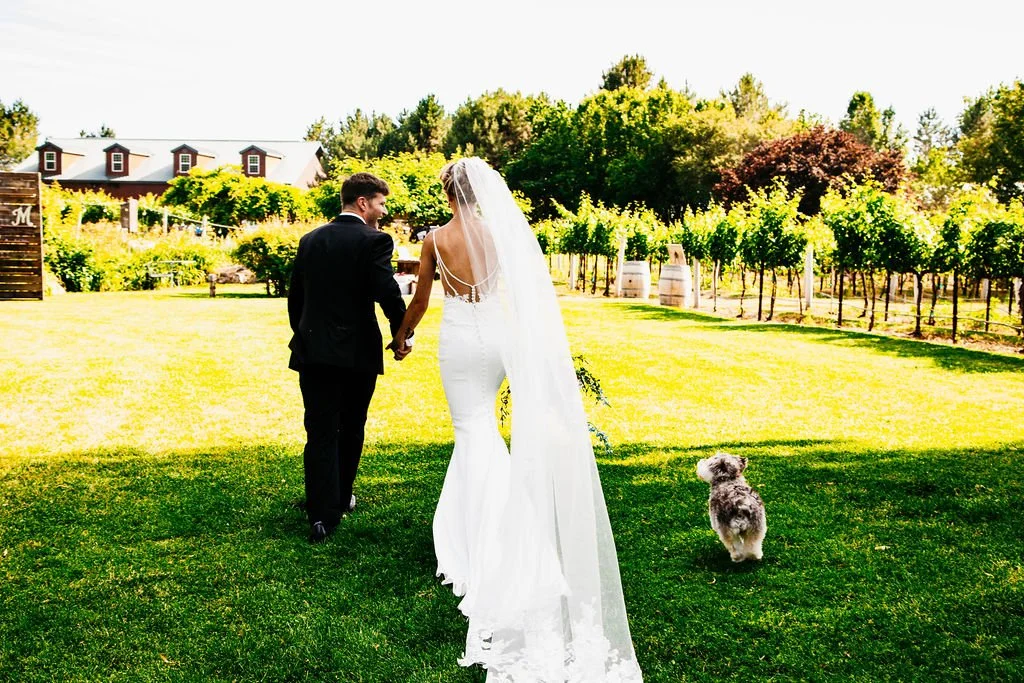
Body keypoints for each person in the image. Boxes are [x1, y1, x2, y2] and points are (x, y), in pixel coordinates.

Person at [391, 158, 642, 681]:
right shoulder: (502, 233)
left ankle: (487, 540)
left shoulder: (437, 238)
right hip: (499, 340)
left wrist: (401, 335)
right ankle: (484, 525)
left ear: (447, 192)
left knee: (472, 430)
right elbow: (521, 296)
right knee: (481, 433)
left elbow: (419, 300)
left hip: (459, 341)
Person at [288, 172, 410, 544]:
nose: (383, 211)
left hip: (313, 352)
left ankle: (320, 515)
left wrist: (305, 334)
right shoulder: (375, 241)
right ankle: (339, 500)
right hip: (356, 353)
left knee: (320, 429)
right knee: (352, 426)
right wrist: (401, 331)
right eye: (381, 203)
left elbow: (296, 299)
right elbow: (387, 292)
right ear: (363, 203)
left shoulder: (310, 240)